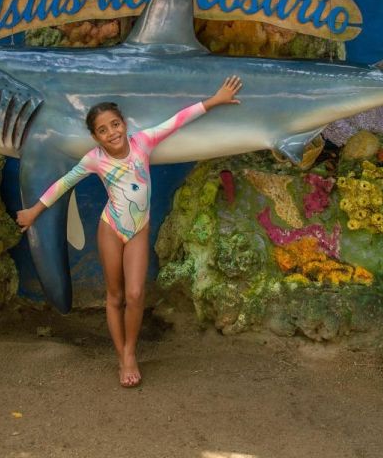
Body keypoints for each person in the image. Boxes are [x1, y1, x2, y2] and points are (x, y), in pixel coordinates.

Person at [16, 75, 243, 387]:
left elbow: (176, 121)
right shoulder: (94, 160)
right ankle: (122, 358)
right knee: (115, 295)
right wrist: (33, 211)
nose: (112, 133)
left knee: (135, 294)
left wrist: (214, 101)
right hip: (111, 228)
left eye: (115, 124)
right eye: (103, 130)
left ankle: (130, 351)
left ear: (124, 123)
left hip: (137, 230)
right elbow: (62, 184)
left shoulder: (143, 142)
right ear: (96, 137)